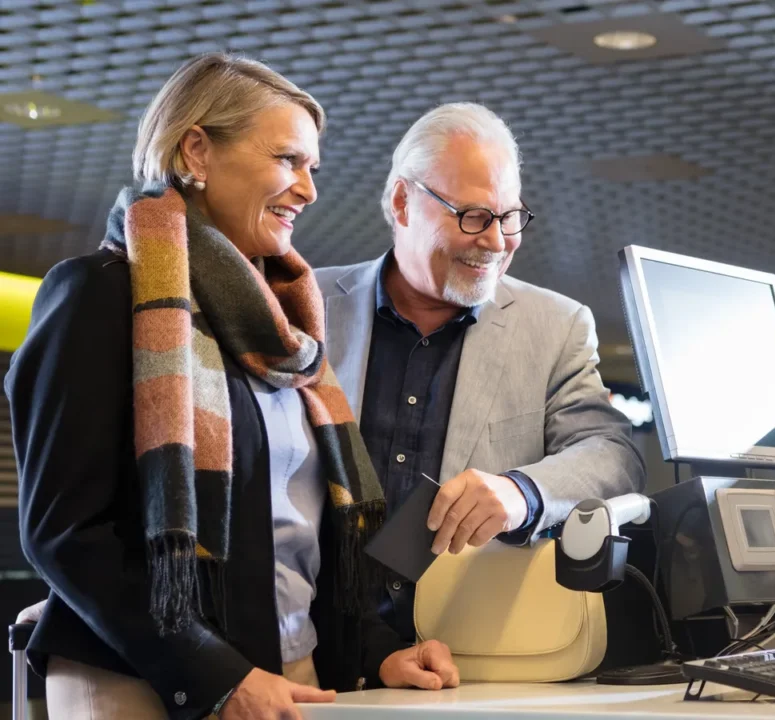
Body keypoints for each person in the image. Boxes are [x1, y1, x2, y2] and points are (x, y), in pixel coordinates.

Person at [7, 53, 459, 720]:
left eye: (312, 168)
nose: (307, 189)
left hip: (285, 670)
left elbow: (293, 531)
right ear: (197, 150)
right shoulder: (99, 295)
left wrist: (375, 651)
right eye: (287, 160)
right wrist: (216, 674)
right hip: (149, 680)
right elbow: (63, 533)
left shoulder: (285, 326)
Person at [316, 102, 645, 641]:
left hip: (468, 657)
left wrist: (523, 493)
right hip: (313, 655)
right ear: (403, 202)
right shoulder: (303, 306)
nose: (495, 241)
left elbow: (614, 455)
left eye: (509, 216)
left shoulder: (556, 326)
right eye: (472, 216)